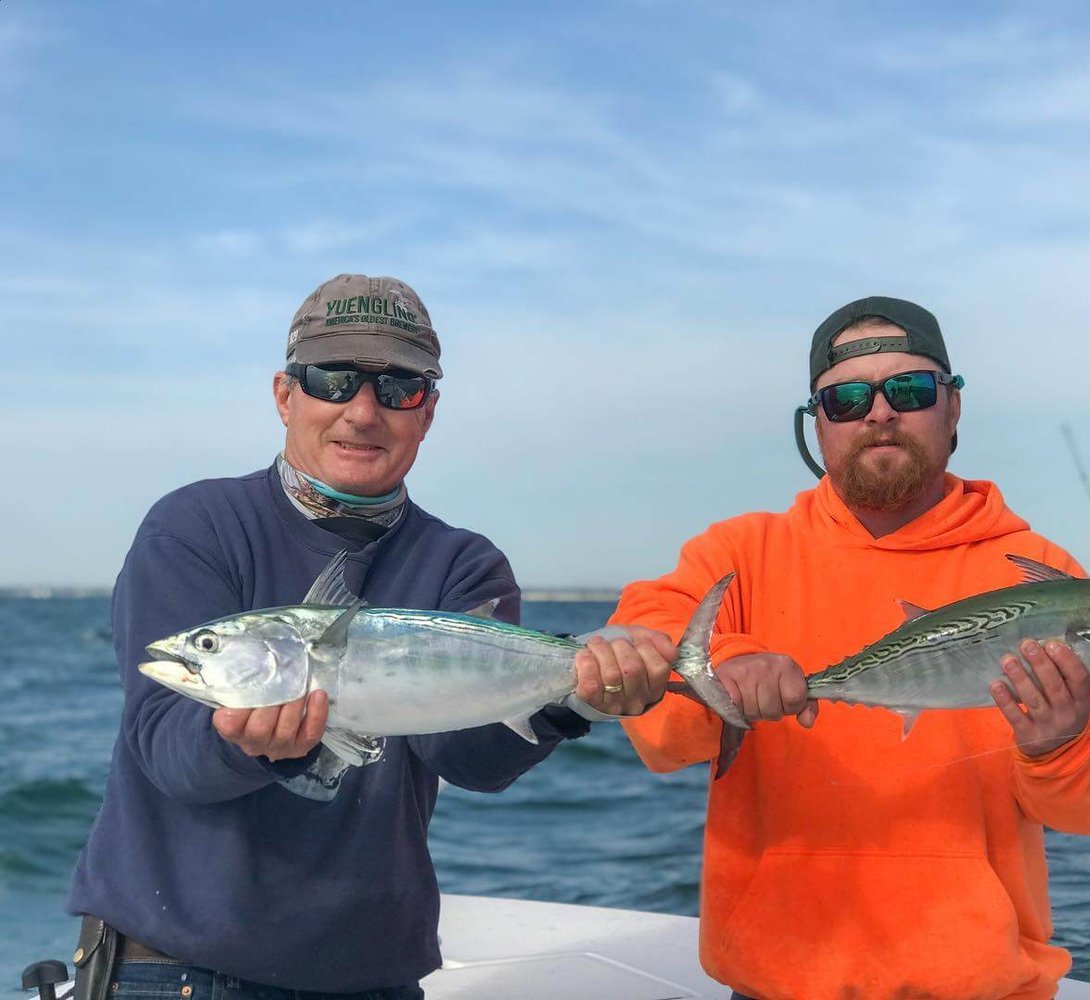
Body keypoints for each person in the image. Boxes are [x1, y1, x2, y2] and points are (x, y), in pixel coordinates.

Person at [66, 273, 676, 998]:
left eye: (398, 388)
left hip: (372, 976)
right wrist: (247, 744)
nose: (362, 412)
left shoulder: (462, 562)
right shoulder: (196, 528)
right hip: (173, 967)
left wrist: (573, 699)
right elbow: (170, 754)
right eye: (333, 378)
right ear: (284, 395)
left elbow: (468, 758)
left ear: (428, 412)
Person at [611, 296, 1090, 1000]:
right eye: (845, 399)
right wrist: (732, 658)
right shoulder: (739, 553)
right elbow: (647, 675)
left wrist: (1064, 739)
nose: (879, 413)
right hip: (774, 983)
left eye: (908, 389)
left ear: (952, 409)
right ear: (817, 424)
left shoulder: (1041, 574)